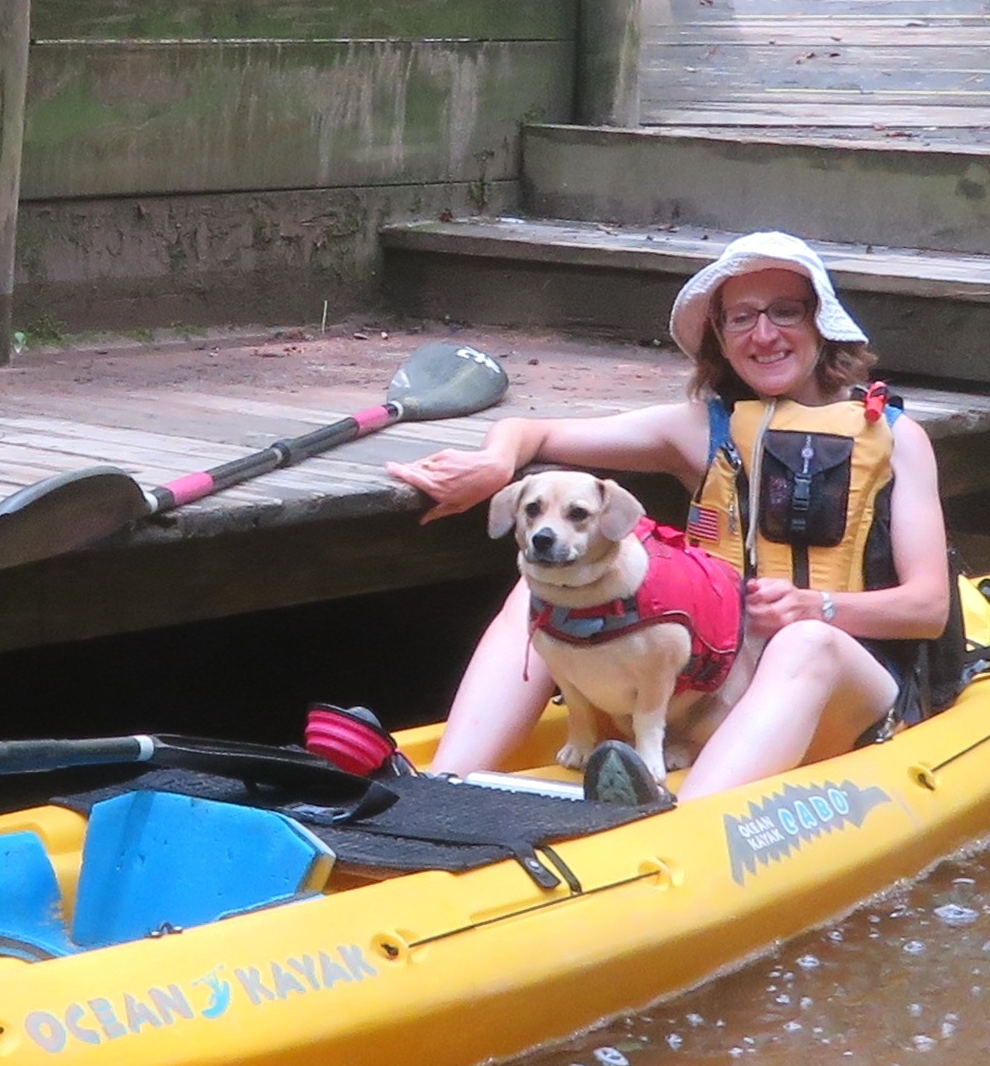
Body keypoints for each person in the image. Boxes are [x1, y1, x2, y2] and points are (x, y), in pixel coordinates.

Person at [390, 234, 959, 794]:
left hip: (847, 686)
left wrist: (819, 607)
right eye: (741, 318)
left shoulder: (893, 438)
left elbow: (927, 609)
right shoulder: (697, 431)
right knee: (546, 587)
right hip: (704, 687)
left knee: (802, 640)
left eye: (786, 312)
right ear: (721, 336)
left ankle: (676, 822)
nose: (764, 334)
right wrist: (497, 462)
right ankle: (445, 782)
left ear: (821, 323)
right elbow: (530, 430)